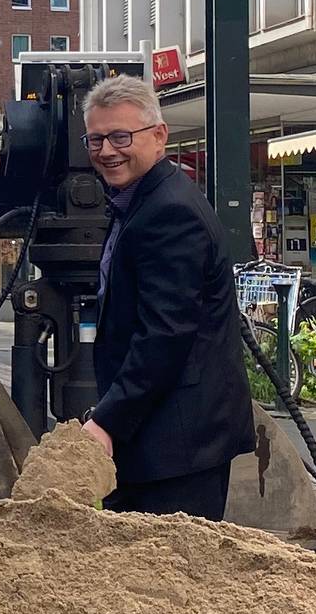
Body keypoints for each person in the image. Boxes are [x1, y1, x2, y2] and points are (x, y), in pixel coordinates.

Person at [77, 74, 253, 518]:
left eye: (120, 136)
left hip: (176, 448)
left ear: (158, 137)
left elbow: (165, 335)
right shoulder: (138, 202)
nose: (107, 151)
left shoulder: (168, 212)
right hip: (160, 439)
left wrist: (107, 420)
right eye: (96, 140)